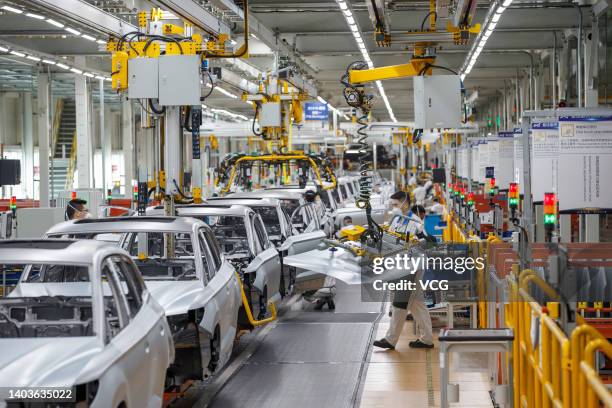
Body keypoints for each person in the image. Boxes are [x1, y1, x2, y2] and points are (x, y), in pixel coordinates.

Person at [373, 196, 434, 350]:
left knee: (400, 304)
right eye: (392, 204)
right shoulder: (399, 219)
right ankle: (426, 339)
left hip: (412, 267)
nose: (393, 207)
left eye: (396, 204)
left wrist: (417, 241)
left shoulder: (415, 222)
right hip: (405, 265)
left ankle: (390, 340)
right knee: (417, 304)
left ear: (405, 203)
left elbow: (428, 241)